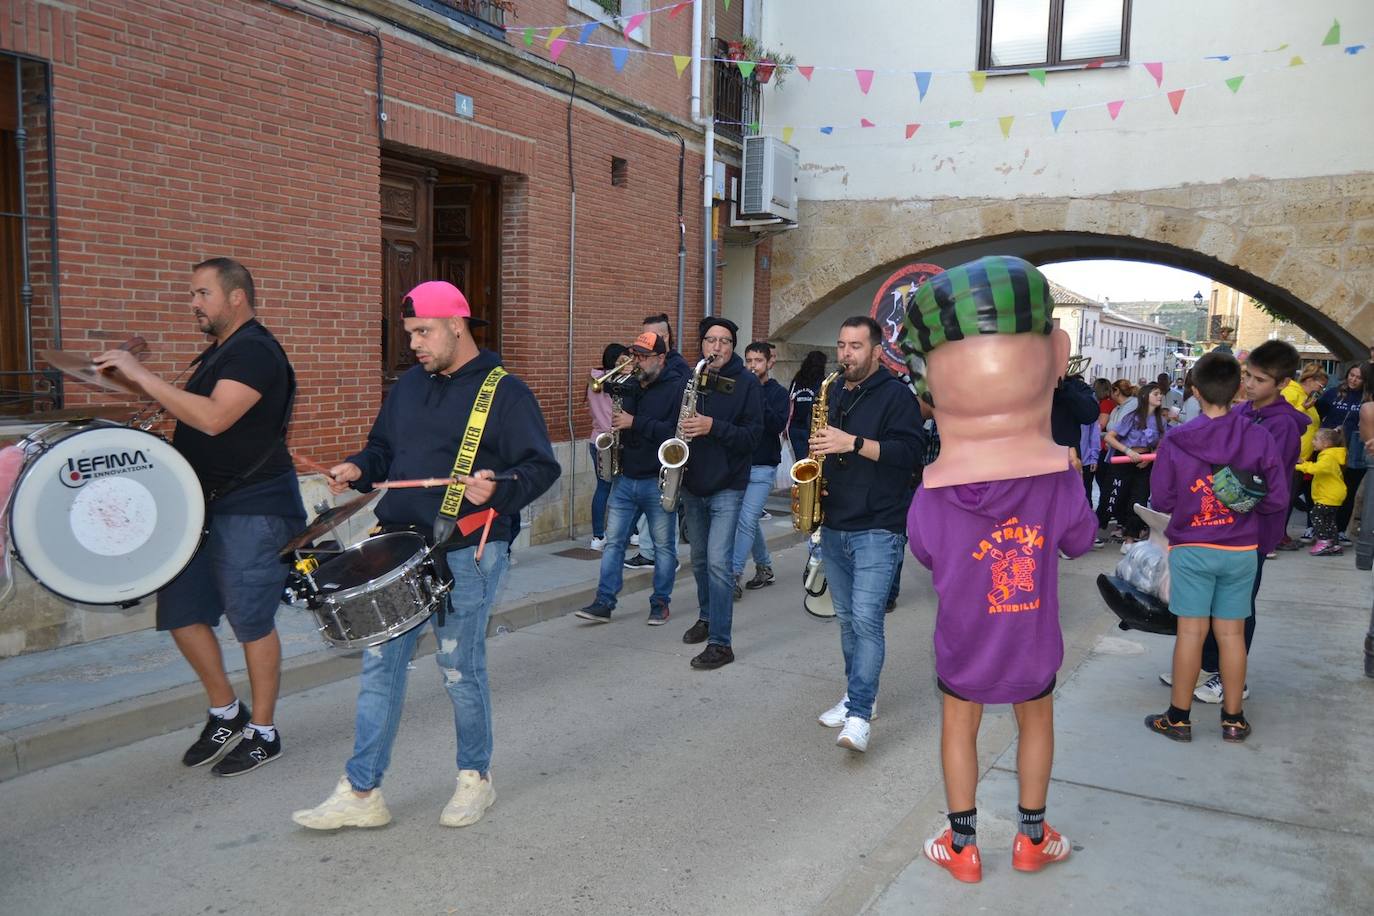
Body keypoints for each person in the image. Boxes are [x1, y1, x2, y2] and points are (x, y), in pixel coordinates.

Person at [292, 280, 560, 830]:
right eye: (409, 333)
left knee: (460, 666)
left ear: (456, 325)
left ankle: (475, 779)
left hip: (467, 551)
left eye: (422, 331)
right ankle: (362, 792)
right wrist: (357, 468)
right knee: (379, 668)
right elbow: (384, 451)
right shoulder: (409, 387)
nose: (413, 343)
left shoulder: (504, 391)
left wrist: (500, 486)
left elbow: (541, 466)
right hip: (398, 551)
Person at [902, 256, 1096, 883]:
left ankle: (962, 848)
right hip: (1030, 637)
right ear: (1056, 358)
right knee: (1035, 719)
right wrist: (1072, 476)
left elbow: (927, 552)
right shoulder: (1057, 480)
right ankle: (1030, 839)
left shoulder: (931, 491)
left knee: (959, 723)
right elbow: (1080, 541)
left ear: (931, 386)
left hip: (964, 637)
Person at [94, 257, 305, 776]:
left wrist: (141, 374)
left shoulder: (255, 351)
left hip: (255, 506)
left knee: (250, 621)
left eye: (202, 294)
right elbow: (188, 406)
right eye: (192, 295)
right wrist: (129, 376)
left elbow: (213, 418)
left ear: (236, 297)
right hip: (201, 504)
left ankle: (263, 730)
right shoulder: (218, 354)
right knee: (182, 611)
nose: (194, 304)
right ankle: (225, 712)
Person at [1145, 351, 1287, 745]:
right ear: (1239, 389)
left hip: (1192, 547)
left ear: (1194, 390)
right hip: (1241, 548)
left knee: (1191, 633)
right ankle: (1233, 720)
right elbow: (1276, 499)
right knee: (1231, 635)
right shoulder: (1258, 436)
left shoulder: (1176, 439)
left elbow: (1163, 499)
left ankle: (1178, 718)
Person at [1169, 340, 1307, 704]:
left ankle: (1219, 685)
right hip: (1233, 534)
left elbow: (1270, 491)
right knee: (1221, 617)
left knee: (1231, 615)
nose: (1249, 384)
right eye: (1247, 376)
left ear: (1282, 384)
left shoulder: (1279, 427)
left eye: (1259, 379)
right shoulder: (1249, 421)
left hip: (1246, 533)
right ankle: (1216, 687)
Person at [812, 316, 924, 752]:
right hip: (835, 524)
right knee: (845, 621)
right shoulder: (835, 389)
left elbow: (908, 455)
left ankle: (859, 715)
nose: (846, 354)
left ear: (877, 350)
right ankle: (862, 695)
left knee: (866, 620)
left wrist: (852, 443)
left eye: (855, 346)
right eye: (841, 345)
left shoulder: (897, 396)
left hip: (878, 526)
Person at [575, 331, 685, 624]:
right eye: (635, 355)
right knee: (614, 544)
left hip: (658, 479)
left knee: (663, 548)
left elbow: (676, 432)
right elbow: (600, 385)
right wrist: (617, 373)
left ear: (661, 358)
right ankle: (604, 602)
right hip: (626, 477)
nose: (638, 361)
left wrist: (635, 423)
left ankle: (660, 603)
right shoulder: (631, 383)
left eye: (644, 356)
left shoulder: (676, 388)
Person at [677, 317, 761, 669]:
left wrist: (713, 427)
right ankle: (707, 616)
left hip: (728, 485)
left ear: (733, 346)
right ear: (702, 345)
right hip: (692, 483)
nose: (716, 347)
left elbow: (753, 436)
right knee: (698, 560)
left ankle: (721, 644)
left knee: (718, 563)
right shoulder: (692, 378)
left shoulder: (747, 384)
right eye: (710, 340)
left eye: (724, 341)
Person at [622, 314, 689, 570]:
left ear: (665, 338)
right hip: (640, 451)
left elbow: (675, 421)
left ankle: (665, 558)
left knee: (664, 508)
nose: (645, 341)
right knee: (651, 511)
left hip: (663, 452)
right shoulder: (644, 366)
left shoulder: (678, 370)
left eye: (652, 336)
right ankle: (649, 552)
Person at [732, 341, 787, 598]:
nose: (752, 366)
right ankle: (764, 567)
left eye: (758, 361)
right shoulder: (739, 388)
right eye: (749, 361)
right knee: (748, 522)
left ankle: (732, 575)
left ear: (769, 362)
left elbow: (777, 424)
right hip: (740, 465)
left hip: (763, 467)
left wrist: (757, 397)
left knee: (745, 521)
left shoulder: (777, 393)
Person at [1102, 382, 1167, 548]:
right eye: (1156, 393)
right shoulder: (1132, 417)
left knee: (1139, 499)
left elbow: (1161, 444)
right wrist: (1128, 452)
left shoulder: (1161, 420)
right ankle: (1095, 528)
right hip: (1124, 459)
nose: (1160, 396)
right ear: (1146, 396)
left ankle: (1130, 538)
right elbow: (1109, 437)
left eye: (1160, 394)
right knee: (1115, 497)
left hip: (1144, 463)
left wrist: (1149, 457)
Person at [1317, 364, 1366, 544]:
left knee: (1347, 490)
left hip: (1354, 449)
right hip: (1329, 448)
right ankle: (1321, 530)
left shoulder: (1367, 398)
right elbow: (1318, 413)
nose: (1353, 380)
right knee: (1325, 488)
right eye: (1351, 375)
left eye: (1358, 377)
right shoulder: (1333, 393)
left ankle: (1340, 530)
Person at [587, 342, 628, 550]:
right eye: (622, 359)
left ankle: (597, 537)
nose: (626, 362)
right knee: (620, 489)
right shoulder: (618, 381)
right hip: (612, 441)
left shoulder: (595, 379)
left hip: (596, 440)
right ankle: (627, 533)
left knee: (603, 488)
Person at [1286, 364, 1326, 543]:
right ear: (1309, 381)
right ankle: (1277, 535)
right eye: (1320, 385)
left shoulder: (1306, 397)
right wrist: (1304, 407)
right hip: (1291, 456)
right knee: (1286, 498)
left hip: (1302, 458)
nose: (1321, 389)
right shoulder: (1292, 393)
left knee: (1290, 497)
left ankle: (1281, 534)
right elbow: (1284, 420)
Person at [1297, 427, 1348, 556]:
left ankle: (1324, 542)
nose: (1312, 441)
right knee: (1329, 520)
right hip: (1332, 494)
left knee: (1316, 515)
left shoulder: (1328, 456)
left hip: (1328, 495)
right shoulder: (1331, 455)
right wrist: (1305, 463)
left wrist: (1299, 466)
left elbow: (1317, 469)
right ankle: (1334, 544)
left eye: (1315, 439)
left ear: (1326, 444)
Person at [788, 350, 828, 461]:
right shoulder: (823, 382)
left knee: (800, 462)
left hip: (795, 427)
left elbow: (790, 399)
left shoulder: (797, 380)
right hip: (812, 428)